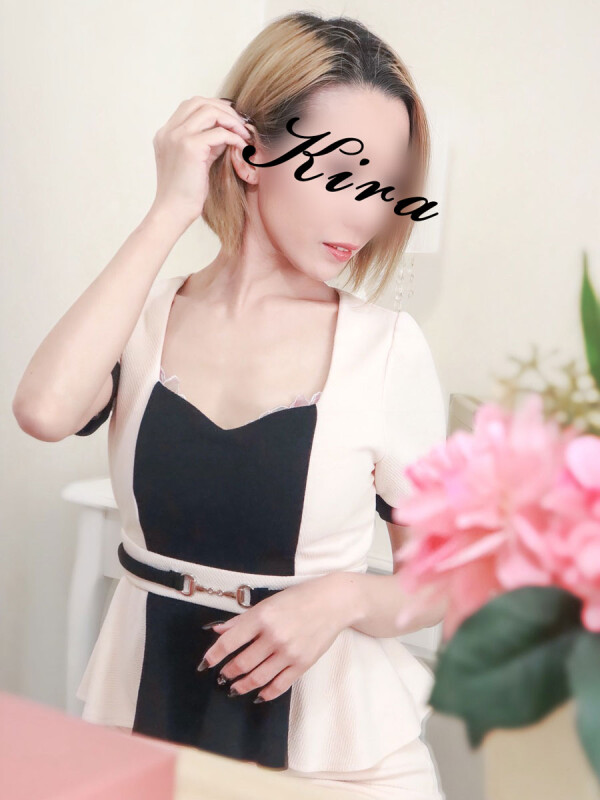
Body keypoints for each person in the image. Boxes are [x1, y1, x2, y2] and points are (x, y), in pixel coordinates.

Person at [13, 12, 448, 798]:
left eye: (383, 185)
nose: (363, 212)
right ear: (251, 153)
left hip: (335, 754)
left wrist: (344, 596)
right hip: (148, 713)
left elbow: (440, 579)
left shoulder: (387, 349)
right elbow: (44, 410)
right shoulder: (145, 319)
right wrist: (169, 209)